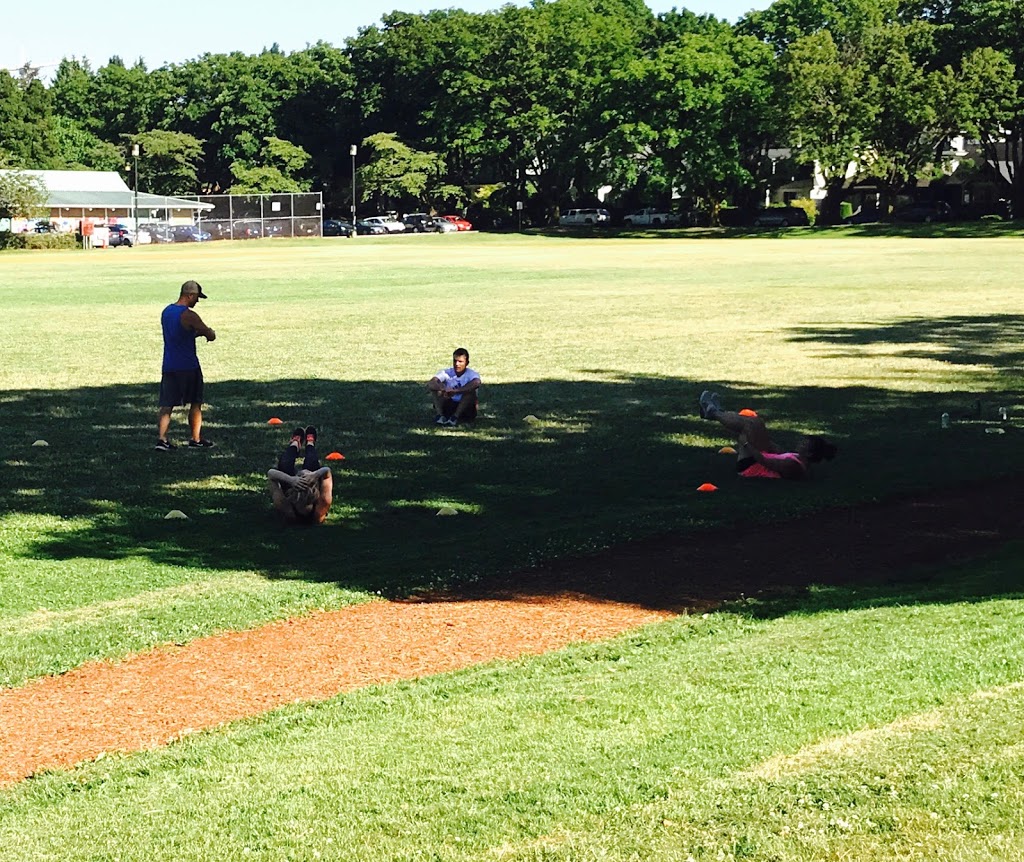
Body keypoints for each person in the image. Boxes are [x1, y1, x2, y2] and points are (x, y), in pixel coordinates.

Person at [699, 390, 838, 480]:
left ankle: (715, 413)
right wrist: (762, 437)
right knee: (756, 422)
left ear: (809, 454)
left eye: (804, 444)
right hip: (757, 458)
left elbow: (765, 462)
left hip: (748, 467)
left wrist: (747, 444)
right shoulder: (797, 459)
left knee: (749, 426)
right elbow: (776, 450)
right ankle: (715, 413)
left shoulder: (794, 466)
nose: (800, 442)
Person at [156, 280, 216, 451]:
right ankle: (195, 439)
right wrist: (209, 332)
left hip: (169, 365)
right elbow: (209, 334)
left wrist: (193, 334)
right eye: (197, 297)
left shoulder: (167, 312)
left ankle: (162, 439)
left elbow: (179, 334)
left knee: (167, 404)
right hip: (188, 365)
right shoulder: (189, 315)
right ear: (189, 295)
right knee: (196, 402)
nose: (197, 301)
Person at [267, 426, 333, 525]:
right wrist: (314, 475)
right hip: (300, 491)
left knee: (285, 464)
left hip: (292, 492)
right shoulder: (321, 508)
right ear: (315, 487)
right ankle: (310, 443)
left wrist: (290, 480)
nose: (303, 472)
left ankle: (295, 443)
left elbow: (271, 474)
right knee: (312, 462)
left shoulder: (286, 507)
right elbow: (327, 471)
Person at [426, 347, 481, 427]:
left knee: (471, 393)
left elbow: (477, 383)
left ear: (467, 363)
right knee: (436, 390)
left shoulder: (471, 374)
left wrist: (457, 391)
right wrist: (443, 389)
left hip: (466, 408)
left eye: (460, 361)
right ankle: (440, 416)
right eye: (455, 361)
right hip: (449, 403)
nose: (457, 364)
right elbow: (431, 383)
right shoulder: (447, 372)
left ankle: (455, 417)